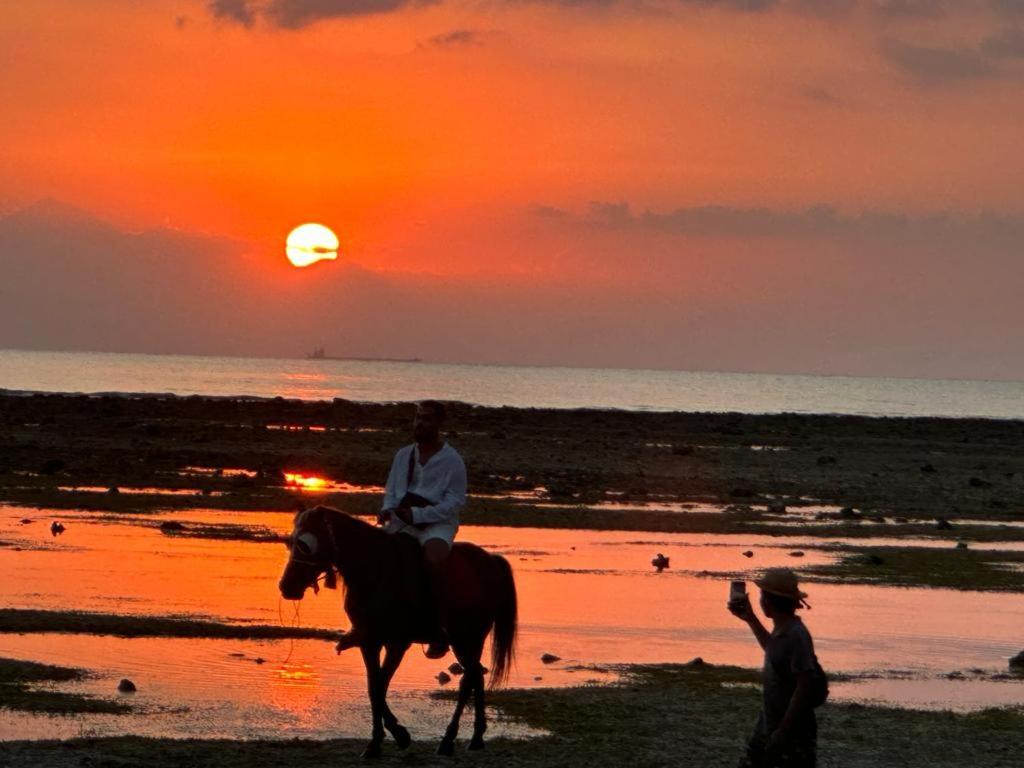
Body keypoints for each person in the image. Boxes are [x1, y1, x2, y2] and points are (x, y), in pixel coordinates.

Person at [337, 400, 466, 659]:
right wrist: (389, 509)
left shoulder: (453, 461)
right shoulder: (403, 455)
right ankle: (361, 623)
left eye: (427, 419)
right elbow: (392, 491)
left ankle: (439, 628)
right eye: (418, 418)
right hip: (402, 522)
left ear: (439, 424)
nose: (420, 423)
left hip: (436, 525)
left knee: (434, 559)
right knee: (368, 557)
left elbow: (454, 502)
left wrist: (419, 514)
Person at [728, 568, 821, 768]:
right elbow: (774, 652)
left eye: (762, 596)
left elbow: (805, 686)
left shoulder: (796, 635)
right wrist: (750, 618)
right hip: (769, 725)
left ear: (768, 602)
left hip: (792, 732)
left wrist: (782, 731)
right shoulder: (783, 630)